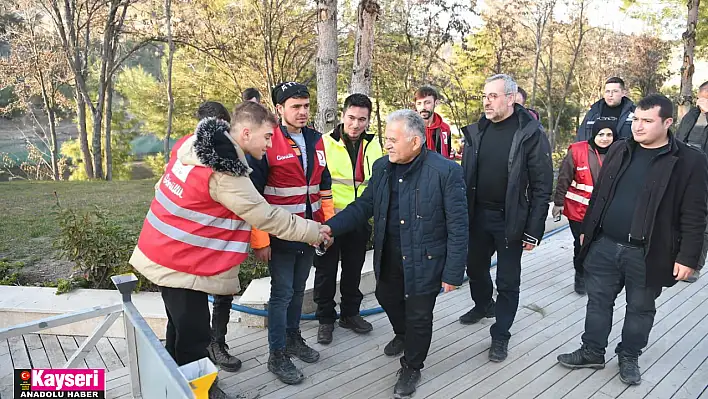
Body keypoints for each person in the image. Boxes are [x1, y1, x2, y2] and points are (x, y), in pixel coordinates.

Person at [129, 101, 330, 399]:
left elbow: (162, 187)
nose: (271, 144)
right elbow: (267, 217)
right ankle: (200, 392)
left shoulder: (193, 145)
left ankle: (173, 387)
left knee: (179, 332)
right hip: (183, 264)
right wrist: (314, 231)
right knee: (195, 339)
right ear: (246, 133)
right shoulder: (225, 173)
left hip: (163, 253)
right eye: (266, 137)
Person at [557, 94, 708, 386]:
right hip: (605, 244)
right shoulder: (620, 149)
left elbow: (696, 213)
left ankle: (629, 356)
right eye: (636, 119)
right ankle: (592, 350)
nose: (638, 127)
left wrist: (689, 257)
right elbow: (600, 192)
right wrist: (589, 229)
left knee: (640, 309)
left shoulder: (690, 161)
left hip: (648, 251)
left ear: (667, 123)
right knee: (598, 302)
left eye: (647, 121)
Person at [322, 109, 468, 399]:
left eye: (392, 139)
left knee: (419, 316)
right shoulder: (382, 168)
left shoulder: (446, 172)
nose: (386, 144)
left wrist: (453, 272)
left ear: (414, 142)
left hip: (425, 260)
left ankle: (412, 365)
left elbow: (459, 227)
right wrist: (330, 228)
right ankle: (403, 335)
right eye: (386, 138)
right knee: (387, 297)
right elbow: (363, 206)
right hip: (389, 255)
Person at [459, 74, 553, 363]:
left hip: (511, 220)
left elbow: (541, 185)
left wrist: (534, 229)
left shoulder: (530, 134)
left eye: (494, 96)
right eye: (484, 95)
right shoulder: (477, 132)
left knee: (508, 281)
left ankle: (501, 334)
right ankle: (484, 304)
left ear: (510, 99)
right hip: (477, 216)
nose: (487, 101)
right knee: (474, 268)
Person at [248, 82, 334, 385]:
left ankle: (293, 338)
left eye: (306, 106)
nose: (302, 112)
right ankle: (277, 354)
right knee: (281, 295)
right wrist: (260, 240)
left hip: (310, 232)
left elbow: (324, 187)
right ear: (280, 109)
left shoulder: (315, 139)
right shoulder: (269, 141)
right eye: (295, 106)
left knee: (298, 290)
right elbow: (253, 197)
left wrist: (328, 226)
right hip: (280, 233)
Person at [314, 93, 383, 344]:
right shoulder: (324, 143)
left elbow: (377, 182)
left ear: (368, 120)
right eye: (352, 118)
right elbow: (317, 183)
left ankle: (350, 314)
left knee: (354, 269)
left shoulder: (374, 145)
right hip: (330, 220)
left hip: (359, 219)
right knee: (326, 271)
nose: (356, 125)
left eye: (362, 119)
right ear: (343, 116)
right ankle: (325, 319)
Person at [552, 118, 618, 295]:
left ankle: (597, 277)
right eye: (601, 134)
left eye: (609, 134)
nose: (605, 138)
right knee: (581, 245)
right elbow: (564, 178)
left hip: (607, 212)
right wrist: (558, 202)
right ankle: (580, 276)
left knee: (602, 246)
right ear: (593, 134)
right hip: (579, 210)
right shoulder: (577, 151)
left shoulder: (620, 152)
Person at [675, 80, 708, 283]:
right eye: (701, 97)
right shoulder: (691, 116)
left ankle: (694, 265)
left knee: (703, 223)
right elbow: (679, 140)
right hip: (684, 174)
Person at [576, 77, 636, 141]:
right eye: (607, 91)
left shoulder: (633, 113)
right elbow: (581, 138)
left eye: (615, 91)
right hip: (595, 151)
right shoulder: (593, 112)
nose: (610, 95)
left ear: (623, 93)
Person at [413, 85, 454, 159]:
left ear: (436, 103)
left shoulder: (445, 129)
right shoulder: (409, 127)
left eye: (427, 103)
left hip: (439, 169)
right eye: (419, 103)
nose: (423, 107)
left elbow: (447, 156)